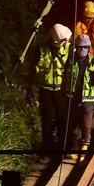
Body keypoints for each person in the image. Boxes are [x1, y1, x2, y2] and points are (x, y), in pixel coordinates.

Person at [64, 33, 94, 161]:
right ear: (76, 47)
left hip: (88, 100)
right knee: (72, 127)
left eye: (86, 47)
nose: (83, 50)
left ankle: (82, 153)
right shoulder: (71, 60)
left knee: (86, 126)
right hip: (73, 98)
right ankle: (76, 145)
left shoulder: (93, 62)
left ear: (89, 48)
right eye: (80, 47)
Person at [30, 23, 72, 152]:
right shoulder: (41, 49)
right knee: (46, 120)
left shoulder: (70, 49)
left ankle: (64, 147)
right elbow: (33, 70)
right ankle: (47, 149)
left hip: (62, 90)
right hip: (45, 89)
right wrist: (30, 89)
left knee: (63, 119)